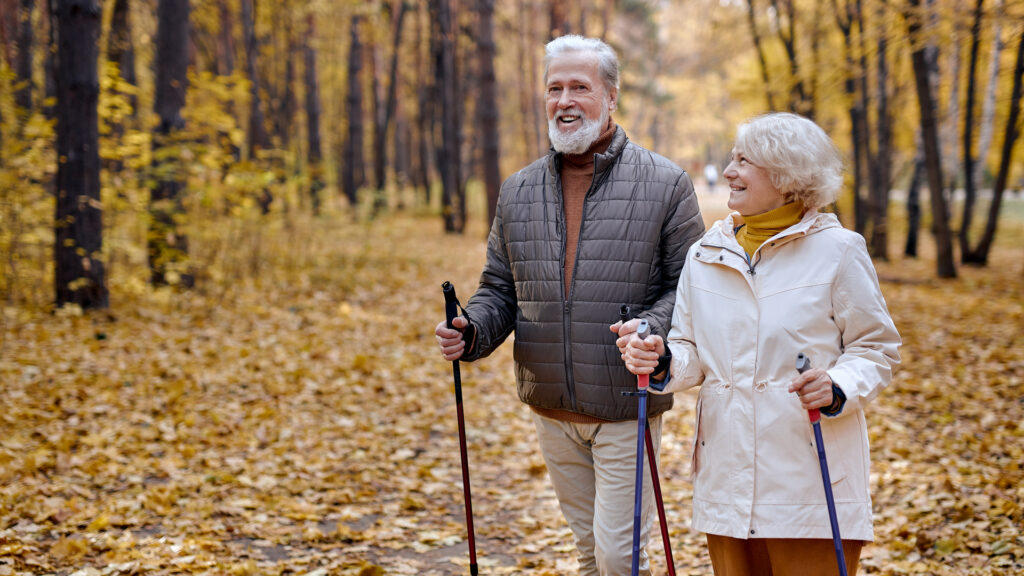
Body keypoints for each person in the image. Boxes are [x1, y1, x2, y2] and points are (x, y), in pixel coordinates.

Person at [434, 35, 705, 575]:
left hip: (628, 399)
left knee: (618, 557)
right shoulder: (518, 190)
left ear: (611, 96)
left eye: (579, 86)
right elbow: (500, 288)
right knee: (588, 554)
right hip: (551, 407)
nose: (564, 100)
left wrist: (647, 330)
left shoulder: (666, 183)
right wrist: (473, 331)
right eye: (554, 88)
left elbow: (691, 288)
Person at [620, 112, 901, 576]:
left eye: (744, 160)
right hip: (727, 481)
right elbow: (689, 349)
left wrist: (836, 385)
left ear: (788, 175)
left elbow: (876, 347)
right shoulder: (705, 253)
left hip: (809, 479)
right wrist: (664, 358)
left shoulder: (839, 250)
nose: (729, 171)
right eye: (732, 159)